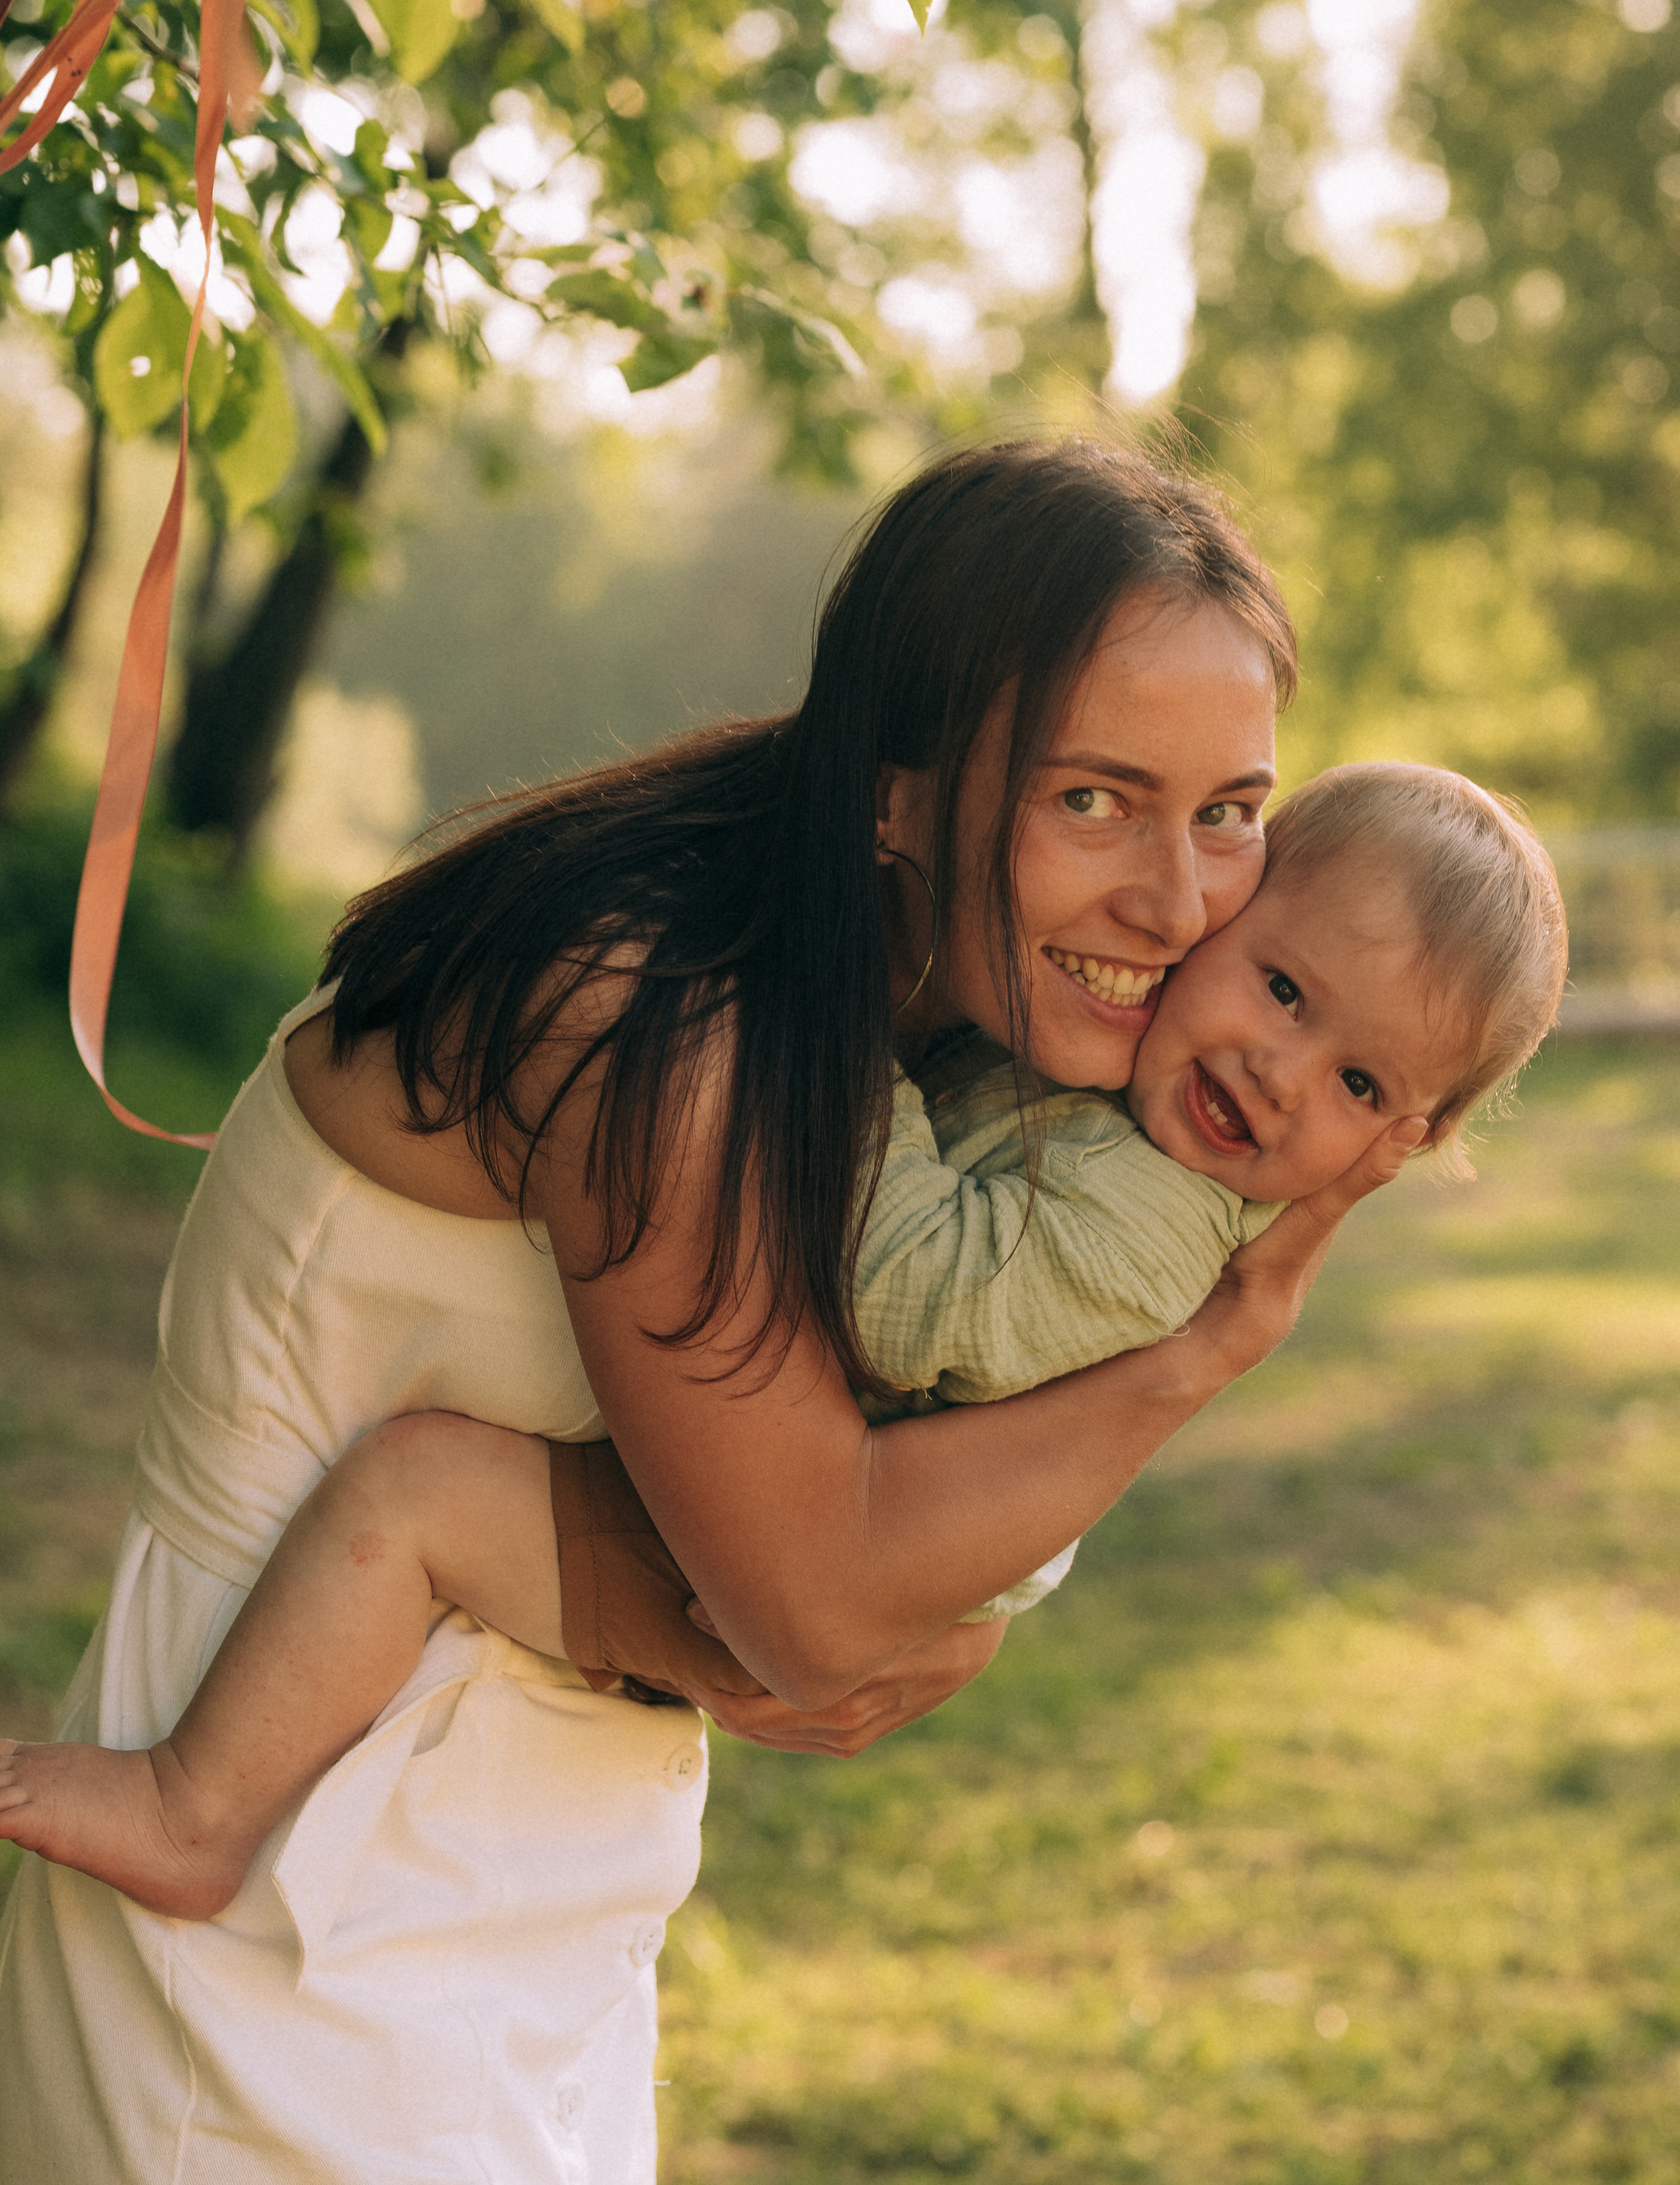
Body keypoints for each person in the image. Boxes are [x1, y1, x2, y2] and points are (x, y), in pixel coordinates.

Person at [0, 439, 1416, 2185]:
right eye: (1092, 801)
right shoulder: (652, 1009)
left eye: (1227, 811)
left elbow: (919, 1581)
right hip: (270, 1901)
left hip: (550, 1879)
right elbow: (823, 1610)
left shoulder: (950, 1017)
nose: (1179, 899)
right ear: (895, 790)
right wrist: (1205, 1354)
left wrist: (844, 1588)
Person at [0, 759, 1568, 1920]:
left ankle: (194, 1813)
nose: (1284, 1075)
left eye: (1359, 1087)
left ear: (1402, 1146)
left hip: (832, 1567)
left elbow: (915, 1296)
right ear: (1226, 914)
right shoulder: (1110, 1099)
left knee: (412, 1499)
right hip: (820, 1505)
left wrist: (817, 1030)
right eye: (1283, 989)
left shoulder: (1159, 1218)